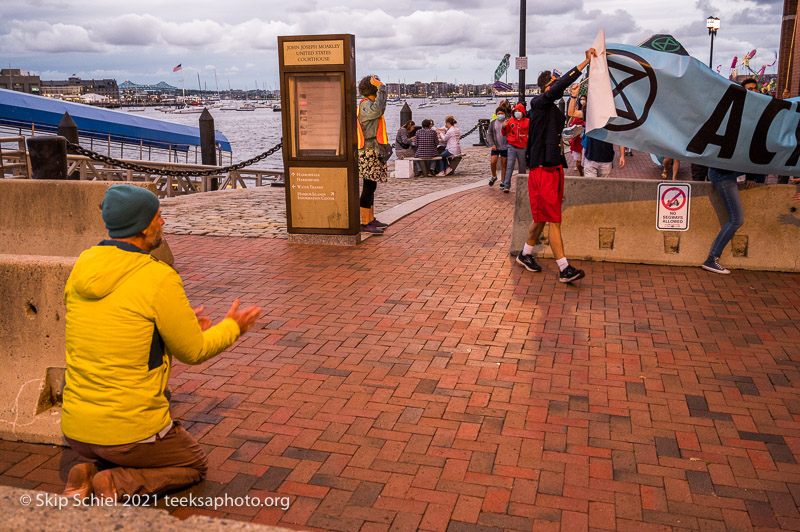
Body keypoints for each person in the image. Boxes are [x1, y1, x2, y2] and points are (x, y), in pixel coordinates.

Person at [61, 184, 262, 501]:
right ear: (142, 226)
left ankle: (87, 469)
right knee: (193, 464)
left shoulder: (82, 266)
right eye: (158, 216)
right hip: (130, 430)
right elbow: (194, 352)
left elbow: (121, 329)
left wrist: (173, 328)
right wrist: (232, 327)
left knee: (119, 444)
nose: (164, 223)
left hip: (75, 428)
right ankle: (116, 483)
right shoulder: (157, 276)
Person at [516, 49, 597, 284]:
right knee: (553, 219)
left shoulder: (552, 108)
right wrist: (585, 62)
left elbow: (568, 111)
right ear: (546, 87)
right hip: (542, 171)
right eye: (553, 83)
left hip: (553, 169)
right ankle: (564, 268)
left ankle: (525, 254)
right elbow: (560, 84)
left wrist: (573, 95)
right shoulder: (539, 102)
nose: (557, 86)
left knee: (541, 218)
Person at [357, 75, 390, 234]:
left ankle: (370, 219)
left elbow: (380, 107)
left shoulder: (368, 104)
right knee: (368, 186)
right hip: (368, 150)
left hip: (373, 149)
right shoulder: (366, 106)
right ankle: (364, 222)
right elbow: (379, 109)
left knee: (372, 185)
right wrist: (381, 87)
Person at [567, 84, 625, 177]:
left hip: (606, 159)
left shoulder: (612, 116)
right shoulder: (589, 113)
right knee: (590, 188)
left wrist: (622, 155)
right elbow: (571, 113)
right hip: (590, 158)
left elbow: (619, 136)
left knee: (604, 189)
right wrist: (574, 95)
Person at [501, 103, 529, 193]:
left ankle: (522, 185)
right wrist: (504, 127)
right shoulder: (510, 121)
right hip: (512, 145)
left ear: (523, 112)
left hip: (522, 146)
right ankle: (507, 185)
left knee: (522, 166)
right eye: (515, 111)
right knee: (510, 165)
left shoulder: (527, 121)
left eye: (519, 111)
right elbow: (504, 133)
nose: (517, 113)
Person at [487, 106, 509, 186]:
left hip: (505, 146)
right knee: (493, 161)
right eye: (498, 113)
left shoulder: (508, 122)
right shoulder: (493, 123)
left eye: (502, 113)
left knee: (504, 164)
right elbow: (489, 134)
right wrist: (492, 144)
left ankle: (502, 181)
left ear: (505, 114)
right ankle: (494, 175)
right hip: (495, 146)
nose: (500, 115)